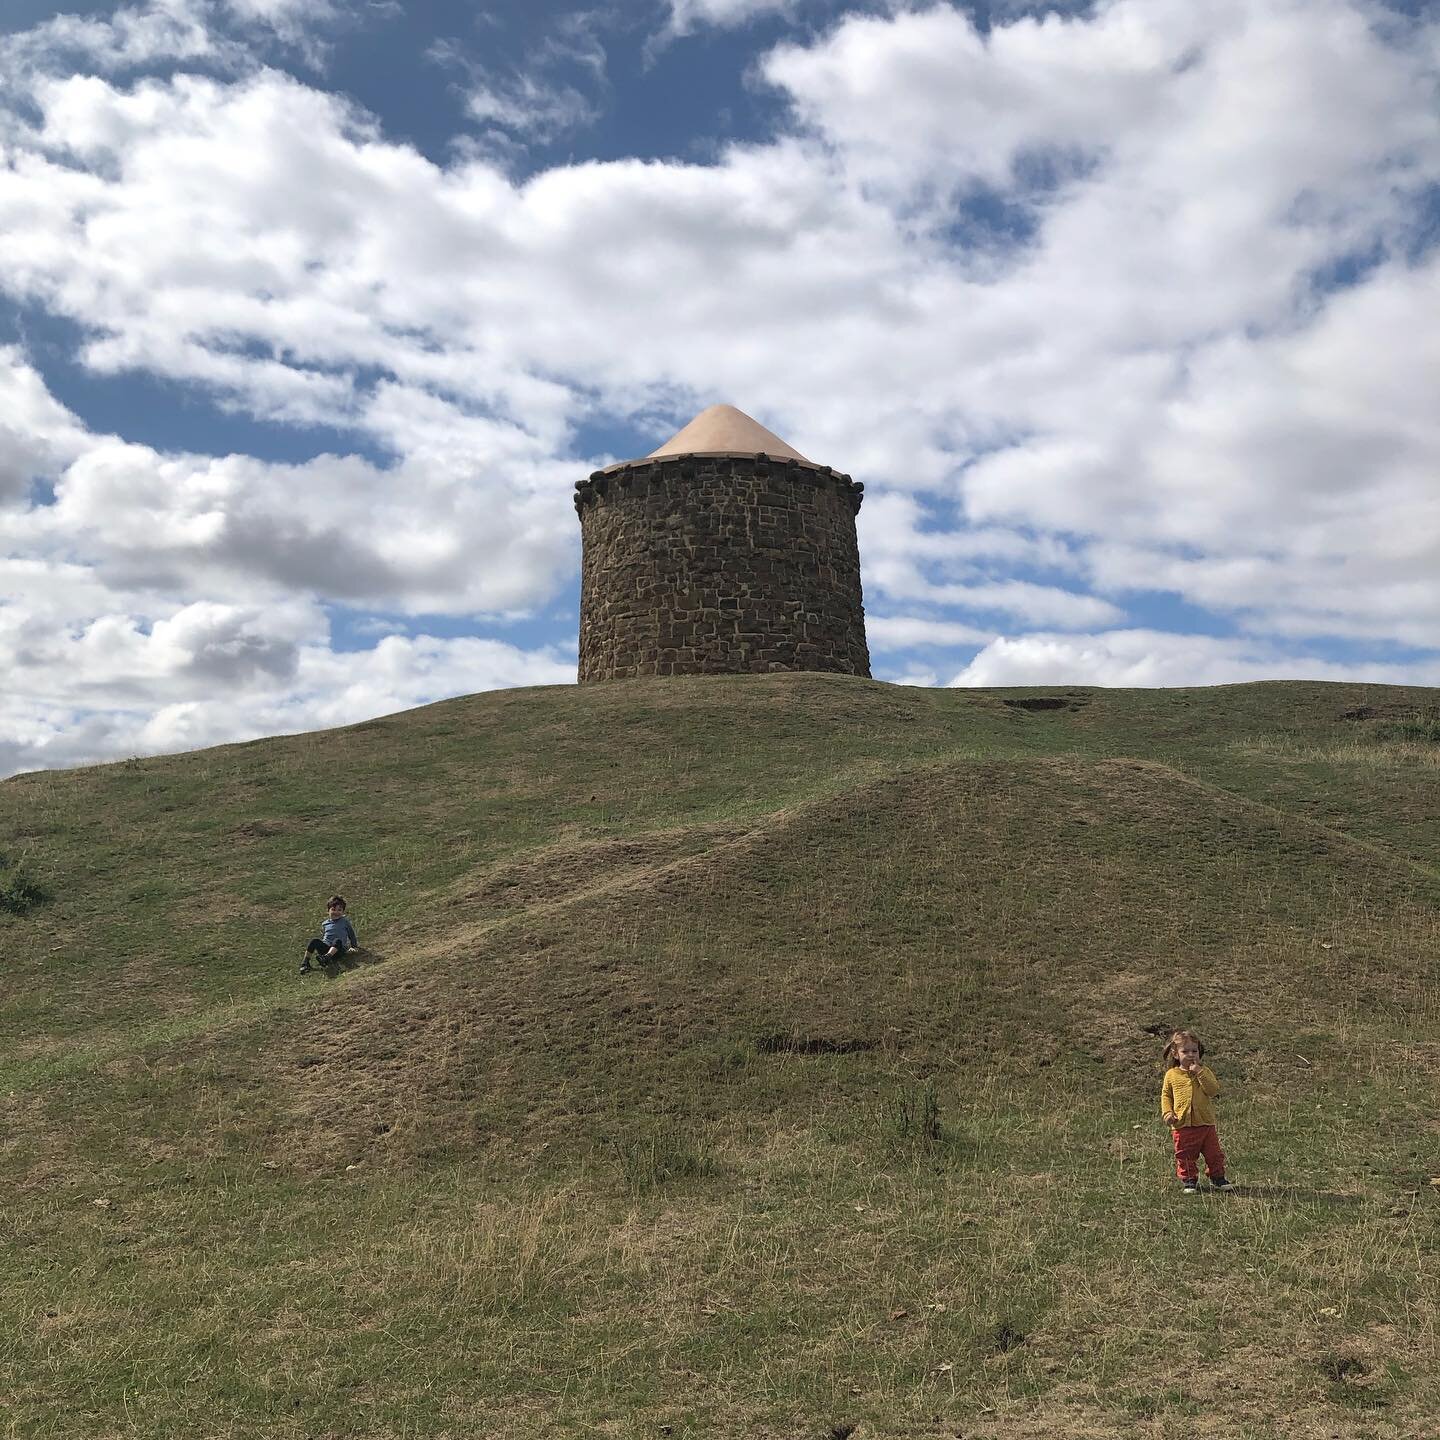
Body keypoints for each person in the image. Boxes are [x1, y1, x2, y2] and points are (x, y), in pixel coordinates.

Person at [1161, 1029, 1232, 1194]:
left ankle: (1218, 1177)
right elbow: (1166, 1095)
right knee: (1185, 1155)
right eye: (1185, 1051)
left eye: (1194, 1051)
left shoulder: (1204, 1072)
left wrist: (1199, 1072)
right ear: (1176, 1054)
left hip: (1205, 1124)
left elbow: (1213, 1090)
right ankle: (1189, 1180)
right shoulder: (1172, 1075)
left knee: (1214, 1154)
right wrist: (1167, 1113)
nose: (1191, 1055)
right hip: (1182, 1124)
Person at [300, 894, 359, 974]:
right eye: (333, 909)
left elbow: (351, 934)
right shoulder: (325, 923)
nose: (336, 912)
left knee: (337, 940)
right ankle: (305, 963)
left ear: (343, 912)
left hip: (339, 949)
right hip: (326, 947)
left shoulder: (344, 921)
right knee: (314, 941)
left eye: (339, 910)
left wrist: (354, 946)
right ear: (328, 911)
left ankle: (327, 958)